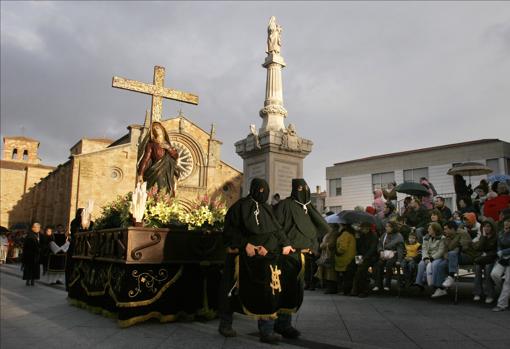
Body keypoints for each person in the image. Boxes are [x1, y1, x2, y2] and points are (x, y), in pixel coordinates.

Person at [218, 178, 293, 344]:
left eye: (264, 190)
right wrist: (245, 244)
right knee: (231, 291)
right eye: (259, 190)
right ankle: (225, 324)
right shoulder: (239, 207)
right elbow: (229, 231)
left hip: (263, 259)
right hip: (241, 258)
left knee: (266, 293)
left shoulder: (268, 209)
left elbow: (276, 231)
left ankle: (266, 331)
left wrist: (282, 244)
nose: (262, 193)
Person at [274, 178, 330, 338]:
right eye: (299, 188)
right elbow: (277, 227)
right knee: (284, 289)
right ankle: (280, 323)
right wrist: (285, 244)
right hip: (286, 256)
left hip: (302, 256)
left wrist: (313, 247)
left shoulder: (308, 208)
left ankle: (285, 322)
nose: (302, 191)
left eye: (305, 188)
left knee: (295, 290)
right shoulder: (285, 205)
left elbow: (315, 228)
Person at [137, 121, 180, 196]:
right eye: (154, 129)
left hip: (168, 174)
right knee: (158, 192)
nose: (156, 129)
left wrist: (169, 148)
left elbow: (176, 156)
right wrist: (140, 174)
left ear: (162, 129)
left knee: (168, 193)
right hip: (157, 172)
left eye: (157, 127)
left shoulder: (168, 144)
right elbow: (145, 159)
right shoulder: (151, 144)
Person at [441, 221, 477, 290]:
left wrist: (455, 247)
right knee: (441, 263)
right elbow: (445, 251)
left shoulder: (462, 233)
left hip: (468, 256)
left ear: (452, 229)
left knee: (452, 253)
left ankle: (451, 276)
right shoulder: (446, 237)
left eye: (446, 229)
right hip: (453, 257)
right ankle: (440, 288)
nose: (444, 231)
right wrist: (446, 257)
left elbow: (464, 247)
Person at [414, 223, 446, 297]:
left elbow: (441, 251)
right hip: (428, 257)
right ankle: (419, 284)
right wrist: (425, 258)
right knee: (421, 264)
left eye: (430, 229)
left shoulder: (442, 238)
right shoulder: (426, 237)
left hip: (437, 257)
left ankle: (435, 285)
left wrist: (432, 258)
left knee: (434, 265)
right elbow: (424, 249)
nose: (428, 230)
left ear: (435, 230)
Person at [372, 221, 404, 292]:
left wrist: (399, 260)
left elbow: (400, 249)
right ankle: (378, 284)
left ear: (392, 228)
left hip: (394, 254)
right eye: (386, 226)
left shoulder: (398, 236)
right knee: (379, 264)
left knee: (389, 264)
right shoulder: (384, 235)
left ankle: (387, 284)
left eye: (388, 226)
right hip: (384, 253)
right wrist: (380, 251)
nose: (386, 228)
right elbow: (380, 244)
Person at [472, 219, 498, 303]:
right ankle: (477, 293)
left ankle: (489, 294)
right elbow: (479, 248)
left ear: (492, 227)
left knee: (487, 269)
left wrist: (487, 254)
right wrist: (483, 236)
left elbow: (496, 251)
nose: (486, 228)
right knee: (478, 268)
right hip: (482, 258)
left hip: (492, 259)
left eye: (488, 226)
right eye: (484, 226)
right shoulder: (483, 236)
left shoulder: (496, 237)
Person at [351, 222, 378, 297]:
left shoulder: (373, 236)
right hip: (360, 256)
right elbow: (358, 247)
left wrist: (364, 258)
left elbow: (372, 249)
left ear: (367, 228)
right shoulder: (361, 235)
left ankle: (363, 290)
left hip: (370, 257)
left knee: (361, 269)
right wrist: (357, 238)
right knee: (353, 267)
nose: (361, 230)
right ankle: (355, 288)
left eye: (362, 228)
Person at [490, 218, 510, 311]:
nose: (506, 227)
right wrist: (499, 251)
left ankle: (501, 304)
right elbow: (498, 244)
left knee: (508, 281)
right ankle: (505, 293)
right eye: (505, 225)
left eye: (508, 226)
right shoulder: (501, 232)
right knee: (494, 274)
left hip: (507, 257)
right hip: (502, 258)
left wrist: (503, 251)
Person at [316, 223, 341, 294]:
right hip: (326, 254)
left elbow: (331, 243)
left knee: (330, 272)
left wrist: (324, 245)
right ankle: (328, 286)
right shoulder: (329, 233)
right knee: (326, 271)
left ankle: (331, 288)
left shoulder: (335, 234)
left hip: (330, 255)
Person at [335, 224, 356, 295]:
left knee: (345, 276)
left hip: (344, 258)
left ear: (343, 226)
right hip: (350, 257)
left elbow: (343, 247)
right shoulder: (351, 234)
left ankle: (345, 290)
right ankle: (346, 290)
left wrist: (337, 251)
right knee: (348, 276)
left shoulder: (345, 234)